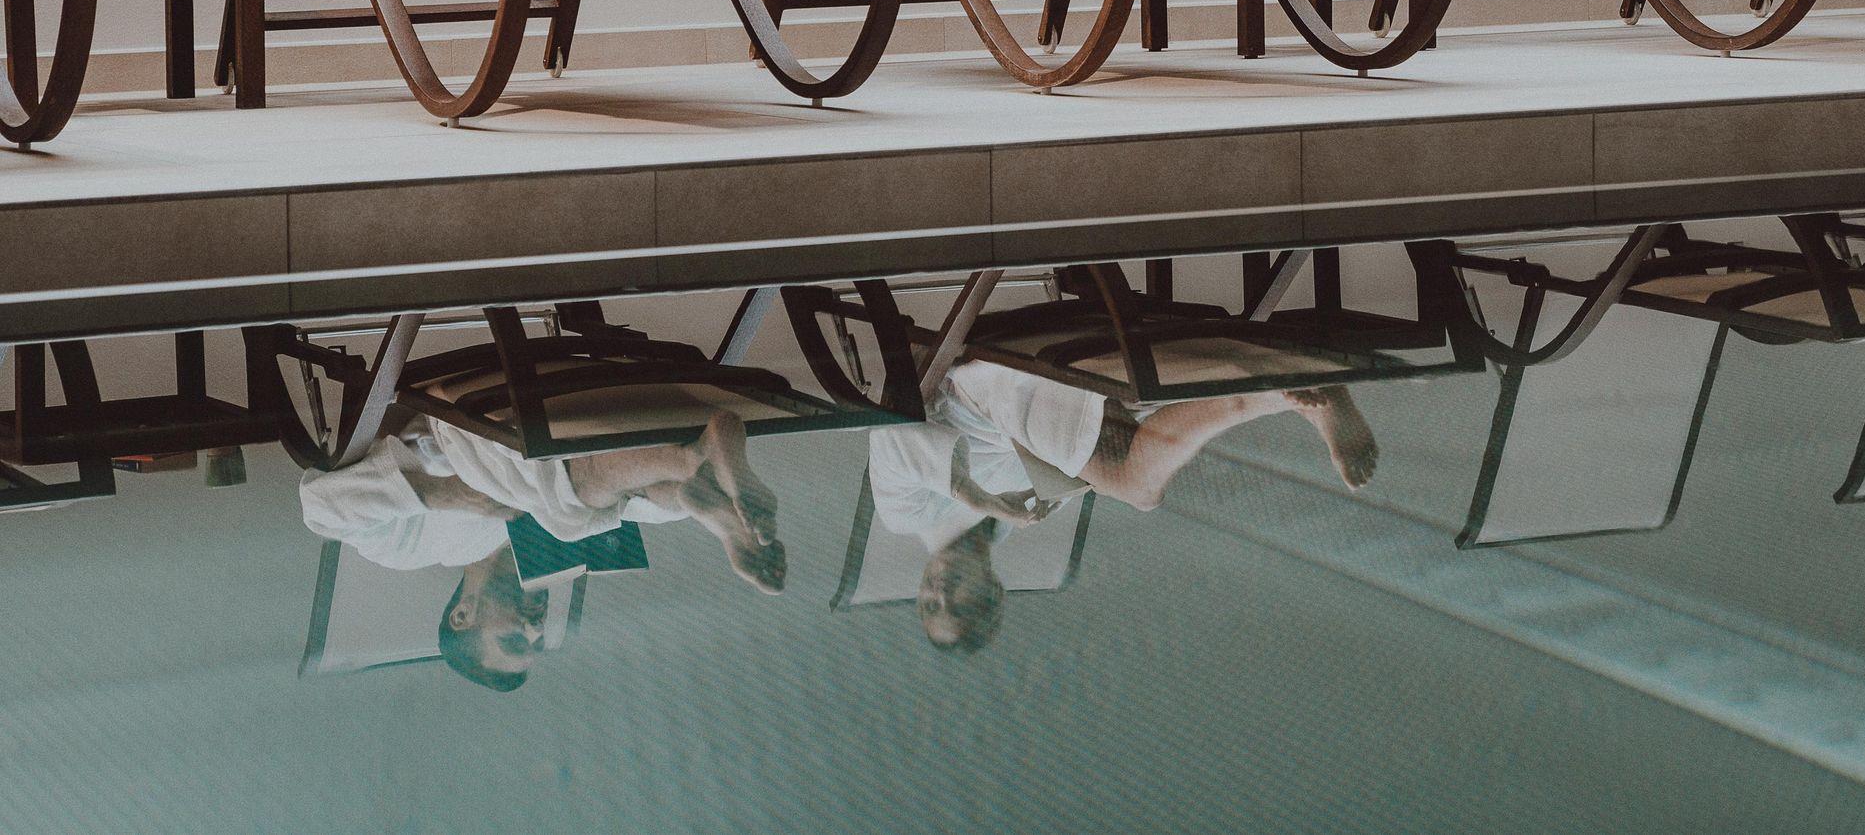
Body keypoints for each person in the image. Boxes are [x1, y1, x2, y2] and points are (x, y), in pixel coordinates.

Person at [868, 360, 1378, 654]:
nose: (939, 592)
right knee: (1136, 459)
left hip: (987, 392)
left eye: (928, 605)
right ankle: (1279, 387)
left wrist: (983, 499)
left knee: (1138, 488)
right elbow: (1073, 468)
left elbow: (891, 439)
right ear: (993, 593)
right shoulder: (1023, 516)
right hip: (1055, 401)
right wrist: (1043, 493)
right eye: (957, 605)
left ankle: (1274, 394)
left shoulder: (907, 517)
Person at [301, 408, 784, 692]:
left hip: (468, 431)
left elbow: (319, 509)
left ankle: (696, 461)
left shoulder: (411, 550)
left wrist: (451, 495)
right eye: (537, 640)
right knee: (625, 511)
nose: (536, 627)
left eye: (515, 640)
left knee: (567, 513)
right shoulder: (551, 560)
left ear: (463, 616)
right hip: (565, 438)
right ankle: (708, 499)